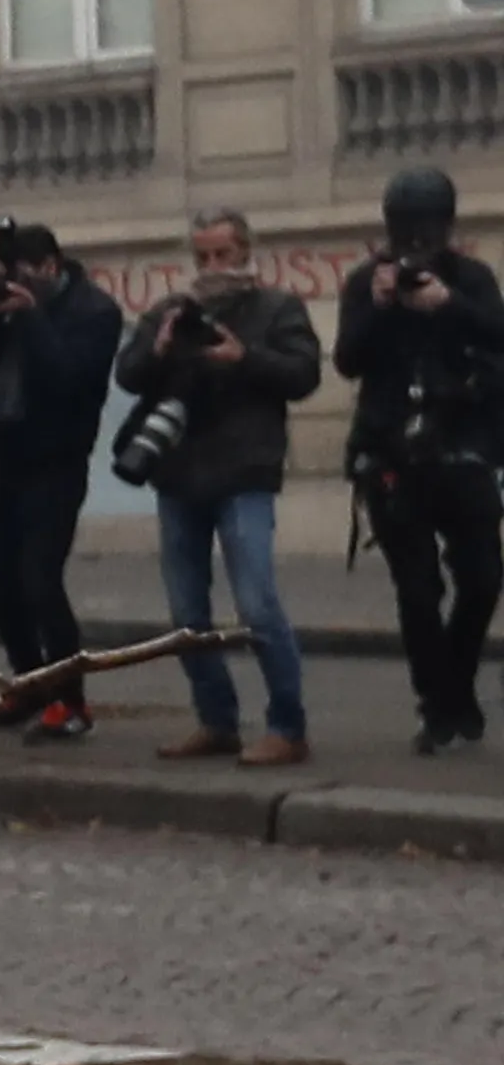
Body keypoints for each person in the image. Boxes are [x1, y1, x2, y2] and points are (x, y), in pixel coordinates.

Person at [113, 205, 323, 767]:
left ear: (244, 251)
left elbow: (304, 375)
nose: (211, 265)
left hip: (245, 470)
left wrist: (243, 356)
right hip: (179, 474)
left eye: (221, 254)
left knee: (256, 601)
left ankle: (287, 725)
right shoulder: (170, 310)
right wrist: (157, 347)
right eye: (202, 255)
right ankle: (216, 719)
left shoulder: (276, 308)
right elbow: (128, 375)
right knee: (186, 611)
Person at [336, 163, 504, 754]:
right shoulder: (367, 282)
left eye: (426, 229)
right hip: (391, 453)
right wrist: (379, 306)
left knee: (484, 578)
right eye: (405, 230)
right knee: (417, 588)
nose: (415, 244)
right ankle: (436, 703)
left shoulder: (472, 278)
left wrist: (448, 304)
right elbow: (347, 361)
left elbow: (497, 334)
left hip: (462, 449)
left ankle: (454, 685)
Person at [0, 217, 125, 737]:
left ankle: (71, 702)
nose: (20, 282)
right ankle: (29, 683)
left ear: (51, 266)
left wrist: (31, 315)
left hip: (55, 463)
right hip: (3, 458)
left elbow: (68, 378)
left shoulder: (94, 311)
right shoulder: (7, 309)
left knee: (41, 581)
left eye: (27, 273)